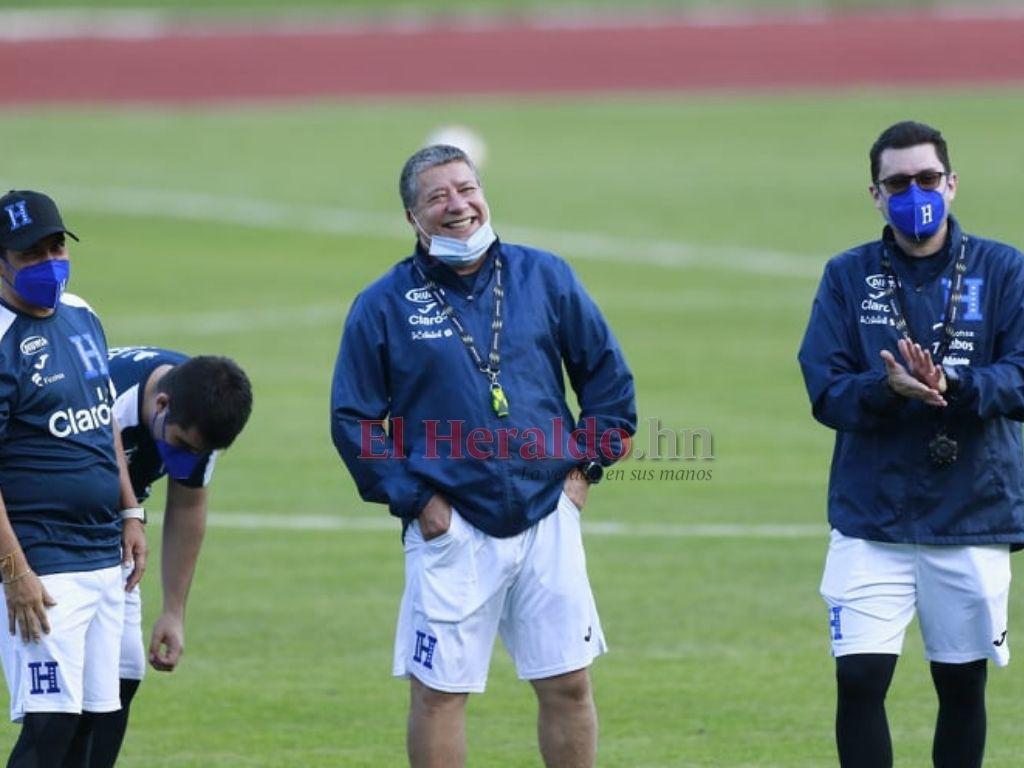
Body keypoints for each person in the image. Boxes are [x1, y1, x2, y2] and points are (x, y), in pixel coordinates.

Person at [331, 145, 635, 768]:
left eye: (465, 189)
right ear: (413, 218)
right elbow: (354, 420)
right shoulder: (383, 303)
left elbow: (607, 382)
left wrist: (584, 471)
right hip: (452, 527)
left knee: (569, 684)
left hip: (547, 512)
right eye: (437, 197)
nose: (458, 206)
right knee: (440, 694)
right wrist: (419, 501)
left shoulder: (545, 276)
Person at [798, 121, 1024, 768]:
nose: (915, 193)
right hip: (873, 515)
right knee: (860, 680)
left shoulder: (1004, 270)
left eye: (927, 179)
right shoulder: (847, 277)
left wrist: (955, 382)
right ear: (875, 194)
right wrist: (888, 389)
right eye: (898, 183)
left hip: (972, 510)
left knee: (961, 685)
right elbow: (824, 388)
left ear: (952, 184)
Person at [0, 190, 146, 766]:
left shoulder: (83, 314)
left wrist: (130, 510)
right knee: (49, 727)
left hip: (102, 554)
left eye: (55, 246)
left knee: (92, 719)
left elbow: (101, 417)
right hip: (43, 562)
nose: (48, 262)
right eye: (30, 254)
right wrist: (15, 573)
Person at [69, 346, 253, 767]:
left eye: (197, 453)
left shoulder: (202, 411)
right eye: (180, 444)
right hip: (55, 537)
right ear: (161, 405)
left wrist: (173, 611)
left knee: (124, 671)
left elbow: (188, 506)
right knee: (69, 692)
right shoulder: (103, 396)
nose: (183, 458)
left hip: (112, 537)